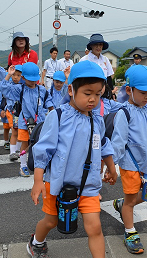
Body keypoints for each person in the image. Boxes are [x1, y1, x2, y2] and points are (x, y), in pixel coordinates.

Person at [28, 60, 118, 258]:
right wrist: (37, 181)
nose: (93, 99)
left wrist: (112, 168)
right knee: (51, 221)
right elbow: (43, 150)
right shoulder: (58, 116)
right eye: (87, 93)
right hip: (57, 185)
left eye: (98, 94)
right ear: (71, 90)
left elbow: (103, 144)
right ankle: (37, 242)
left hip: (88, 186)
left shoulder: (96, 119)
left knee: (95, 228)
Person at [110, 65, 147, 255]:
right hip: (131, 165)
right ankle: (130, 232)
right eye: (143, 93)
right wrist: (111, 166)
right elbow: (118, 141)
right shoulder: (123, 113)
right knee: (131, 199)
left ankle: (122, 204)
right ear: (129, 90)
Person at [0, 62, 52, 177]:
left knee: (40, 145)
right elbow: (3, 88)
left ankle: (40, 167)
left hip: (40, 123)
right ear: (23, 78)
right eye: (30, 79)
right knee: (24, 144)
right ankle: (23, 166)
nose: (33, 82)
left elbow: (48, 101)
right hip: (25, 122)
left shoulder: (41, 90)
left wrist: (53, 112)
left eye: (35, 79)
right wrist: (8, 75)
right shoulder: (19, 89)